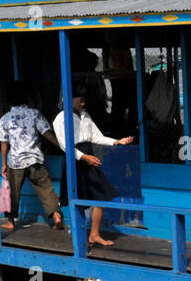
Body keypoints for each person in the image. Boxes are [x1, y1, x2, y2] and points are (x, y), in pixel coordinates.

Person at [53, 80, 135, 247]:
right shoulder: (61, 119)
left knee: (101, 196)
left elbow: (96, 137)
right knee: (78, 199)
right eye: (79, 98)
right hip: (75, 160)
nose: (83, 102)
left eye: (84, 98)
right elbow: (65, 146)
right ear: (68, 99)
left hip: (89, 158)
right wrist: (84, 157)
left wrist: (117, 142)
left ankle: (94, 235)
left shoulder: (86, 115)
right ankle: (80, 237)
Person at [0, 81, 64, 232]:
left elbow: (3, 143)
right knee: (46, 190)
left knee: (13, 193)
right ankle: (56, 216)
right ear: (27, 97)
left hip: (15, 163)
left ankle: (10, 222)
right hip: (35, 160)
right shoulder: (35, 114)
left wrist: (3, 163)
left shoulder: (5, 119)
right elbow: (48, 134)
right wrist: (63, 147)